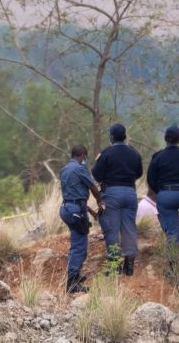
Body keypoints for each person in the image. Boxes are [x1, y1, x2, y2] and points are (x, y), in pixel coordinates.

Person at [92, 124, 143, 276]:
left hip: (112, 193)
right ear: (125, 136)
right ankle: (129, 263)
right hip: (130, 192)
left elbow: (96, 173)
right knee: (129, 227)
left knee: (112, 229)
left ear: (111, 137)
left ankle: (115, 265)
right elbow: (139, 173)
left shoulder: (106, 153)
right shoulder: (134, 153)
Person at [146, 125, 179, 245]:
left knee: (172, 232)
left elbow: (150, 179)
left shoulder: (158, 157)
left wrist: (160, 192)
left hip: (165, 196)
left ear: (165, 139)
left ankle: (173, 260)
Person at [60, 145, 105, 293]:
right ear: (83, 155)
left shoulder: (65, 169)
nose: (85, 160)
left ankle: (75, 276)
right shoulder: (80, 169)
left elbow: (74, 197)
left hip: (67, 209)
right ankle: (72, 283)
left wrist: (91, 212)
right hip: (76, 210)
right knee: (79, 247)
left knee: (77, 242)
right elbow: (92, 187)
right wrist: (100, 201)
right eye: (85, 157)